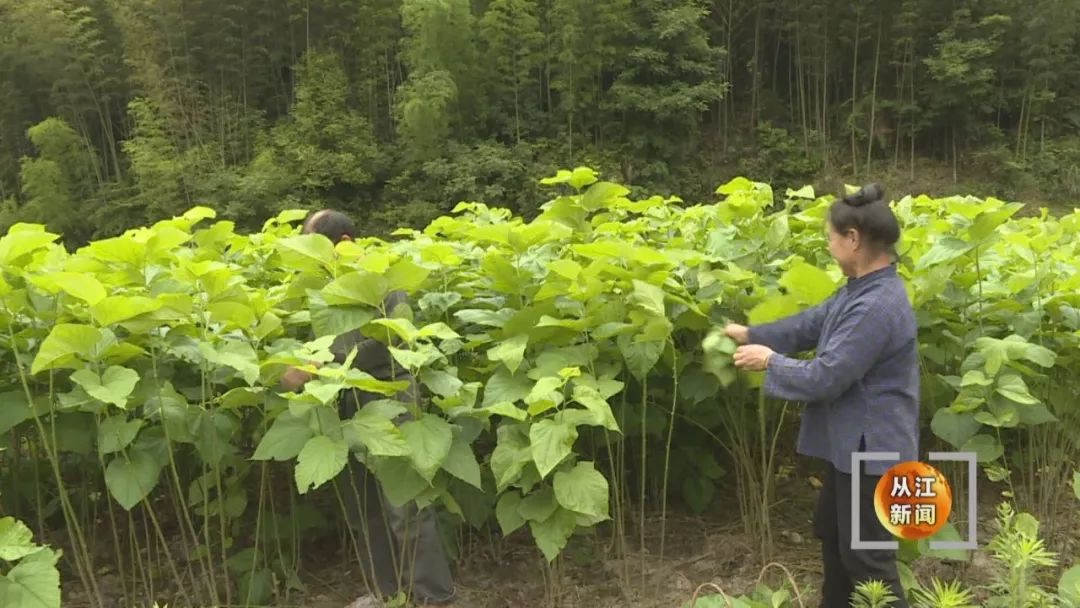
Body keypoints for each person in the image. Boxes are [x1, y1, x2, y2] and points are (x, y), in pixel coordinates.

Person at [723, 184, 917, 607]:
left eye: (830, 238)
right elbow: (811, 324)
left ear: (853, 239)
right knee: (833, 538)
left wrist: (770, 361)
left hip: (874, 453)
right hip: (850, 448)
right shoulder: (858, 289)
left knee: (869, 560)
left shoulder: (877, 306)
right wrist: (752, 334)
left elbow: (827, 376)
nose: (828, 246)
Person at [281, 209, 457, 608]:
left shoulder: (382, 277)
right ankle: (387, 593)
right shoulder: (331, 288)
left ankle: (433, 597)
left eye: (317, 247)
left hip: (391, 397)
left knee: (405, 504)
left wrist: (310, 368)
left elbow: (381, 341)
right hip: (350, 403)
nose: (314, 260)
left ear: (344, 242)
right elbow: (322, 340)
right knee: (365, 506)